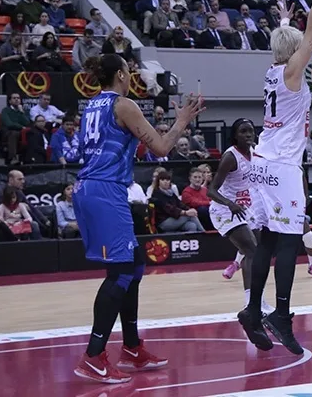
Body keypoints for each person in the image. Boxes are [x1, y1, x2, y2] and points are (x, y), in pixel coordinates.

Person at [72, 53, 203, 384]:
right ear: (120, 74)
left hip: (93, 188)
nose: (132, 77)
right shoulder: (123, 105)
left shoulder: (93, 105)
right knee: (119, 273)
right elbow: (160, 147)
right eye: (129, 72)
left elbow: (122, 145)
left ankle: (131, 347)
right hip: (104, 191)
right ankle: (93, 356)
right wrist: (182, 120)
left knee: (135, 263)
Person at [240, 0, 312, 355]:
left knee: (269, 241)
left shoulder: (273, 70)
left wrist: (280, 19)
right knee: (291, 241)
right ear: (294, 52)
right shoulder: (293, 72)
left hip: (263, 162)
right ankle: (281, 315)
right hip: (281, 167)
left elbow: (290, 38)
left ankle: (252, 311)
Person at [208, 118, 273, 314]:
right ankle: (250, 304)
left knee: (256, 253)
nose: (248, 135)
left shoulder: (255, 153)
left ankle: (258, 300)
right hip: (224, 209)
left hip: (245, 208)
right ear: (235, 135)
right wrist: (230, 204)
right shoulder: (230, 156)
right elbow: (211, 190)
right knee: (251, 250)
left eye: (251, 131)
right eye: (243, 131)